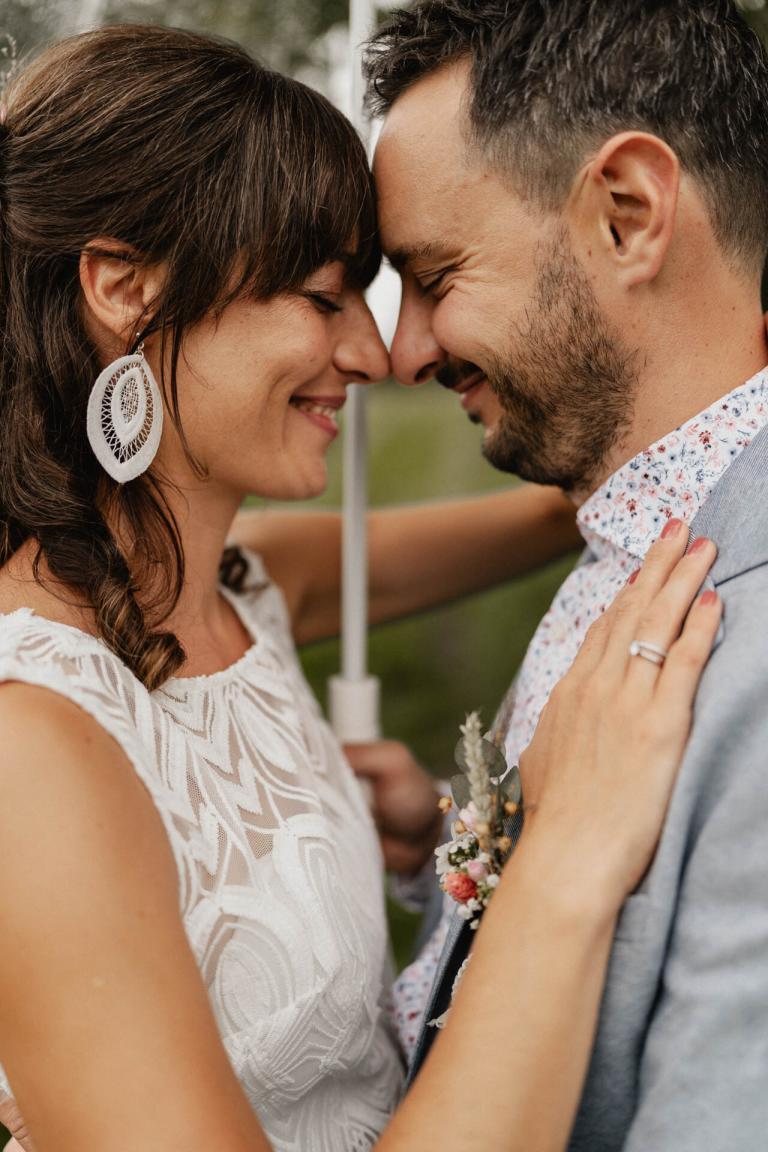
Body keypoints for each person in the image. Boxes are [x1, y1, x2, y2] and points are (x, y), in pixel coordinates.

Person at [0, 21, 720, 1152]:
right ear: (123, 287)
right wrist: (565, 856)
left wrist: (680, 439)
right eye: (320, 297)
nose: (373, 356)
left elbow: (541, 515)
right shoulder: (29, 742)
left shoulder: (228, 587)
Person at [363, 0, 768, 1147]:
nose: (404, 351)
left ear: (627, 216)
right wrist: (454, 852)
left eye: (434, 274)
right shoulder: (644, 530)